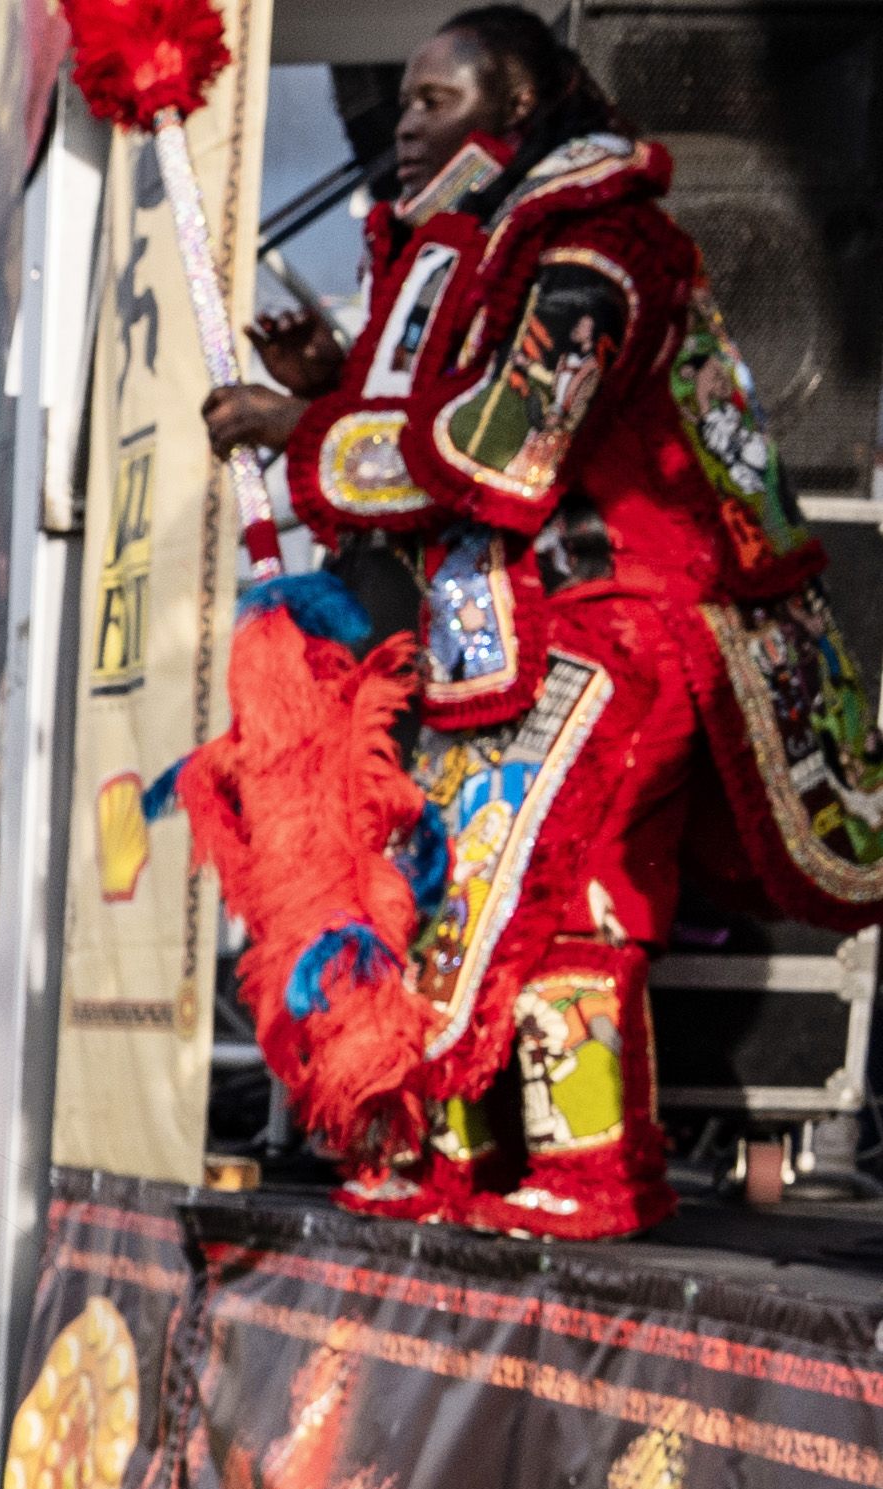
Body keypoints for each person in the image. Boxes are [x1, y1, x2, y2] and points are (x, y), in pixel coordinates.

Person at [194, 5, 883, 1235]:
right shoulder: (481, 244)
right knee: (562, 904)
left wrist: (299, 432)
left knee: (486, 899)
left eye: (434, 103)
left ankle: (519, 1156)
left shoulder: (597, 253)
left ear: (514, 109)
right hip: (513, 640)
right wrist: (329, 388)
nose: (404, 127)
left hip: (622, 631)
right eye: (400, 103)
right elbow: (444, 426)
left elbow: (508, 450)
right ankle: (542, 1164)